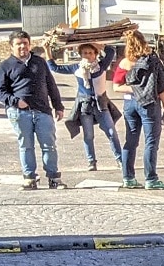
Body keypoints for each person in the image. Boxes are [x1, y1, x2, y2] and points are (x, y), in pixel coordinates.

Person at [0, 29, 65, 190]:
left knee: (49, 145)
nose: (22, 47)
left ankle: (54, 178)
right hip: (19, 113)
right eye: (18, 44)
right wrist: (15, 102)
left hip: (43, 111)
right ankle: (29, 178)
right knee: (26, 146)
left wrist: (58, 106)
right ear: (11, 46)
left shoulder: (39, 62)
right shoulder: (5, 66)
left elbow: (51, 85)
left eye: (25, 43)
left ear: (30, 44)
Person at [49, 42, 123, 171]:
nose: (88, 55)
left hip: (101, 105)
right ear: (80, 54)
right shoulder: (76, 68)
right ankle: (91, 162)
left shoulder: (101, 66)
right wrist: (47, 49)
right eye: (85, 53)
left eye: (90, 53)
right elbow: (54, 68)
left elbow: (111, 51)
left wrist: (97, 44)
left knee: (111, 132)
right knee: (88, 135)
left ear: (95, 54)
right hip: (85, 105)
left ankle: (120, 160)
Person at [113, 30, 164, 190]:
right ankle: (151, 179)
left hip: (130, 104)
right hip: (149, 104)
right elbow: (162, 88)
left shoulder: (124, 63)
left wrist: (134, 89)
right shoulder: (152, 61)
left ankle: (128, 178)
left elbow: (116, 87)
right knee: (151, 141)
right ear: (144, 42)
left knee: (131, 141)